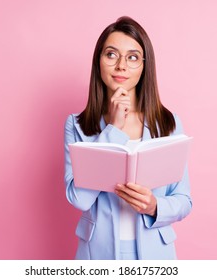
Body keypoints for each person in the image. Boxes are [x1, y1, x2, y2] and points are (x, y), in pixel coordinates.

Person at [64, 16, 192, 260]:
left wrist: (155, 206)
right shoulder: (77, 125)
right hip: (97, 255)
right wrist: (113, 130)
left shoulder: (168, 123)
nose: (121, 65)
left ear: (144, 66)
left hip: (156, 254)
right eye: (111, 54)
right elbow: (79, 199)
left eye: (132, 57)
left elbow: (184, 199)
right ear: (98, 61)